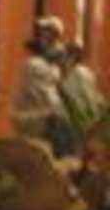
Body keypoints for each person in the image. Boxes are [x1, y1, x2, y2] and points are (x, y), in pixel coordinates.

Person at [14, 17, 74, 154]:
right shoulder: (34, 64)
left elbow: (54, 87)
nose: (43, 34)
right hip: (35, 114)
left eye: (47, 30)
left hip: (47, 114)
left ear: (55, 33)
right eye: (42, 31)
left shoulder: (50, 60)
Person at [62, 40, 103, 125]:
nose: (62, 60)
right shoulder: (69, 73)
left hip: (86, 121)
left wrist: (94, 121)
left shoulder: (80, 72)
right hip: (75, 120)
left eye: (64, 56)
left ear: (72, 57)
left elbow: (90, 97)